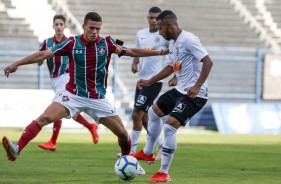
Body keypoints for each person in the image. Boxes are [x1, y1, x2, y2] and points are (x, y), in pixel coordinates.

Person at [2, 12, 165, 163]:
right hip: (72, 95)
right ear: (84, 27)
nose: (95, 32)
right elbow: (43, 54)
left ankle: (126, 161)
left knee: (123, 134)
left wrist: (156, 53)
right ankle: (17, 148)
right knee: (45, 118)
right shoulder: (72, 43)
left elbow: (130, 51)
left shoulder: (107, 43)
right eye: (91, 28)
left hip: (97, 99)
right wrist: (17, 63)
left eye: (98, 29)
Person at [130, 10, 213, 182]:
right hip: (180, 90)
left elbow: (208, 61)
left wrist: (197, 86)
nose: (159, 32)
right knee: (153, 113)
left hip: (195, 94)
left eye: (160, 28)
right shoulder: (174, 44)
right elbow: (170, 68)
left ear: (169, 25)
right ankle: (147, 153)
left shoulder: (189, 39)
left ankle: (163, 172)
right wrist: (149, 81)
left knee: (169, 127)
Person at [117, 6, 176, 160]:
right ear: (147, 18)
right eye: (151, 17)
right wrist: (134, 63)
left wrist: (175, 75)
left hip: (154, 81)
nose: (154, 21)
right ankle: (161, 144)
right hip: (141, 80)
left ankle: (131, 151)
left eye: (156, 18)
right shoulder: (141, 34)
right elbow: (137, 51)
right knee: (143, 118)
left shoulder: (165, 36)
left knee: (137, 113)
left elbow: (175, 55)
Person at [37, 14, 99, 151]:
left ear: (64, 26)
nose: (59, 27)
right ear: (53, 26)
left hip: (66, 77)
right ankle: (91, 127)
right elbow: (39, 61)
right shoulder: (46, 43)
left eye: (61, 24)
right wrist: (40, 60)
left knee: (58, 107)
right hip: (54, 79)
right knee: (69, 111)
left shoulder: (70, 42)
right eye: (56, 24)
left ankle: (53, 141)